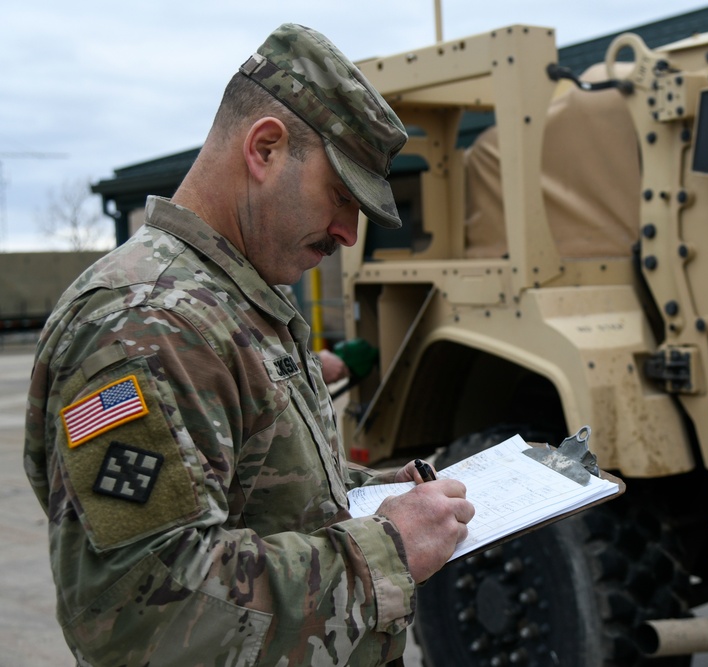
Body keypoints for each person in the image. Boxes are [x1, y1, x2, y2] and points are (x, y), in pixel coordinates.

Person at [23, 23, 474, 667]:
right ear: (264, 148)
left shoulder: (234, 301)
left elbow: (251, 486)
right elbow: (140, 613)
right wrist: (390, 548)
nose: (348, 233)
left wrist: (374, 495)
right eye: (342, 196)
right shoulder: (145, 322)